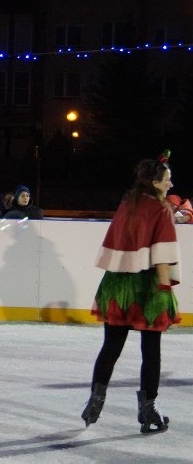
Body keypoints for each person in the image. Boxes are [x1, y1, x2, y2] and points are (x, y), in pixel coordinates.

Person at [81, 156, 180, 433]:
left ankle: (94, 402)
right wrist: (164, 291)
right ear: (154, 182)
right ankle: (148, 410)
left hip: (117, 285)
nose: (171, 183)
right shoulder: (161, 210)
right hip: (146, 287)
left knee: (110, 347)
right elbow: (162, 257)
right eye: (167, 178)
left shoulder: (127, 204)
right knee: (151, 351)